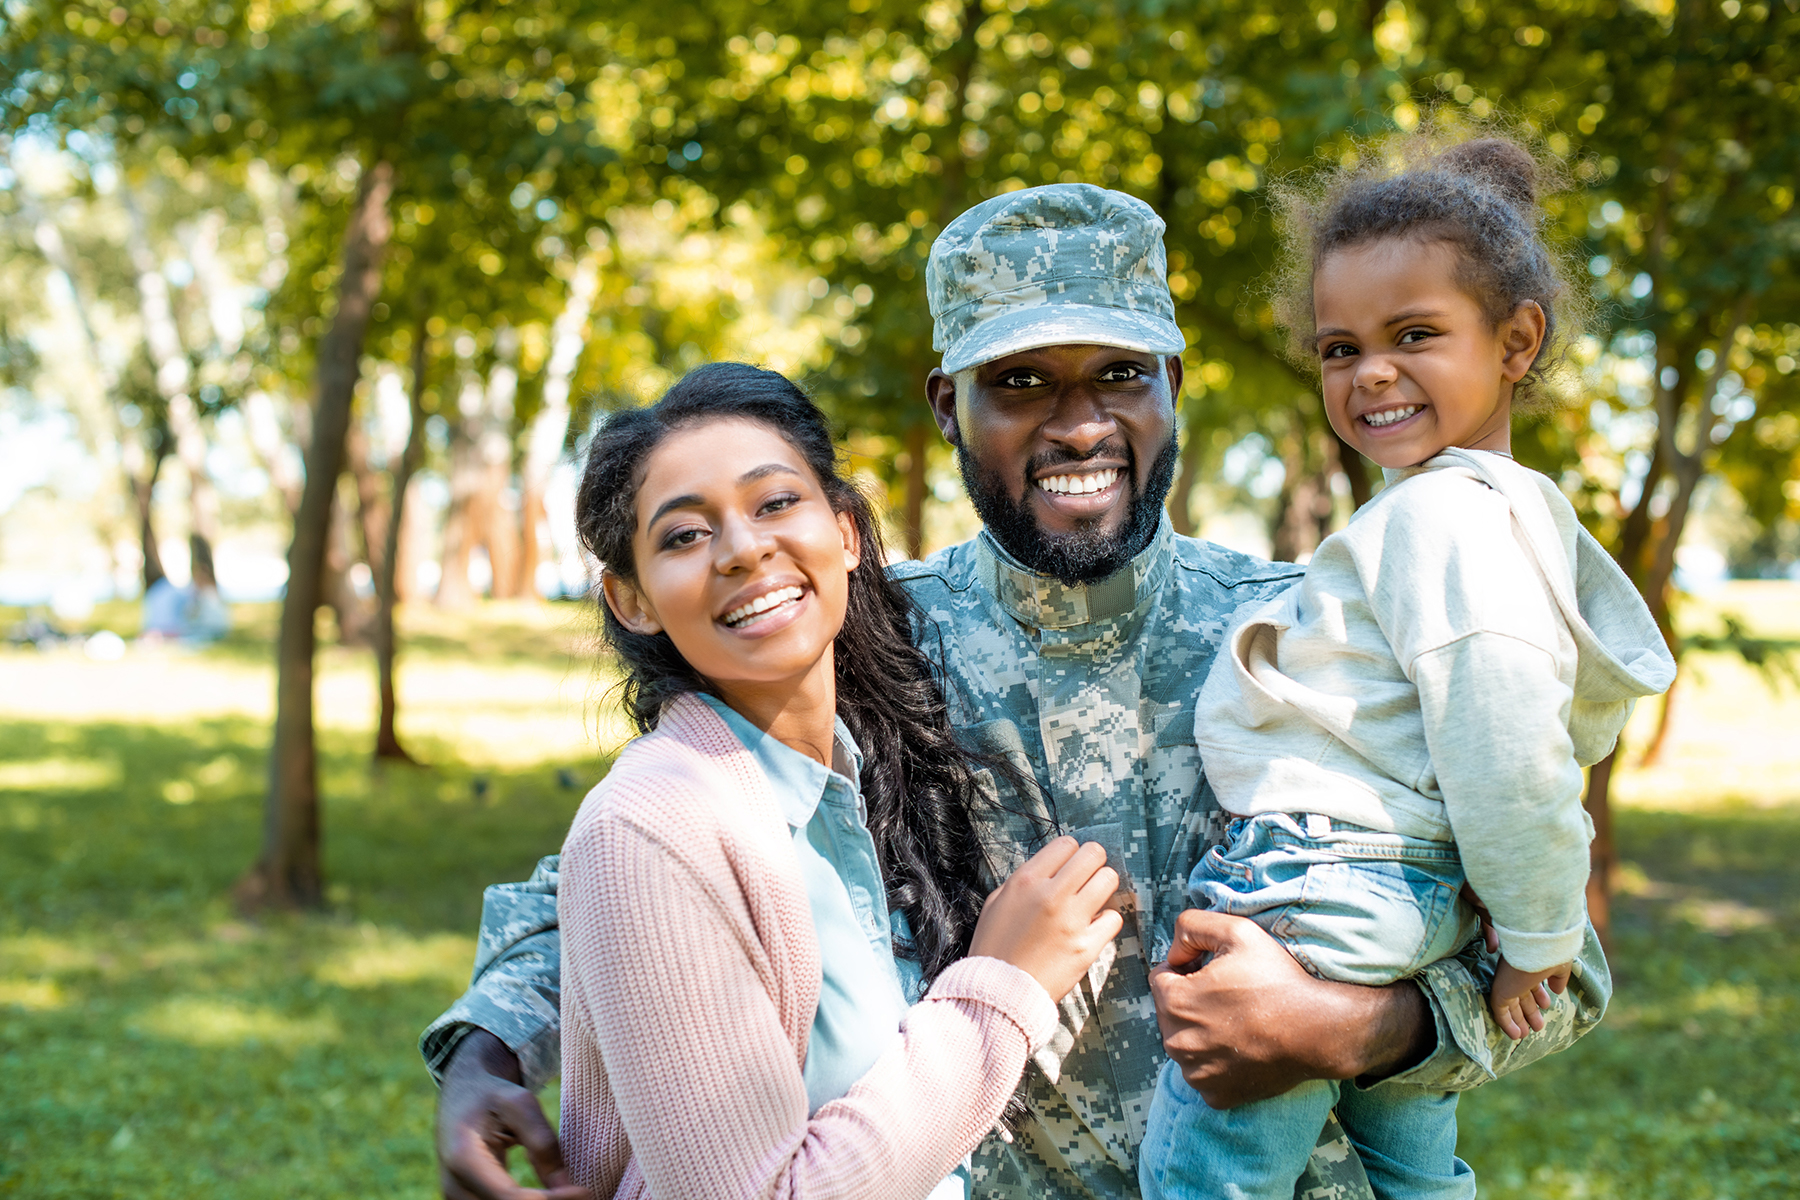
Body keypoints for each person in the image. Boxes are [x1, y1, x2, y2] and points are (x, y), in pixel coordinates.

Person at [422, 184, 1613, 1200]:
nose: (1078, 421)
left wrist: (1353, 1028)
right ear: (950, 406)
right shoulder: (859, 638)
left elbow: (1559, 963)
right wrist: (487, 1044)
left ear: (1174, 386)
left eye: (1119, 375)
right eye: (1024, 380)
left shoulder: (1313, 633)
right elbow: (644, 862)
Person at [1137, 137, 1674, 1200]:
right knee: (1418, 1176)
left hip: (1320, 885)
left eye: (1415, 335)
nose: (1370, 372)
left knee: (1207, 1178)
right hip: (1410, 901)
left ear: (1518, 340)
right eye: (1340, 349)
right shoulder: (1505, 518)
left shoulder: (1440, 522)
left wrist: (1536, 939)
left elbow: (1508, 752)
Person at [555, 362, 1122, 1198]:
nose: (744, 550)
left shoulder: (863, 763)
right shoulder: (651, 826)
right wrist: (1005, 988)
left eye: (776, 502)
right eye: (684, 535)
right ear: (630, 599)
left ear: (848, 533)